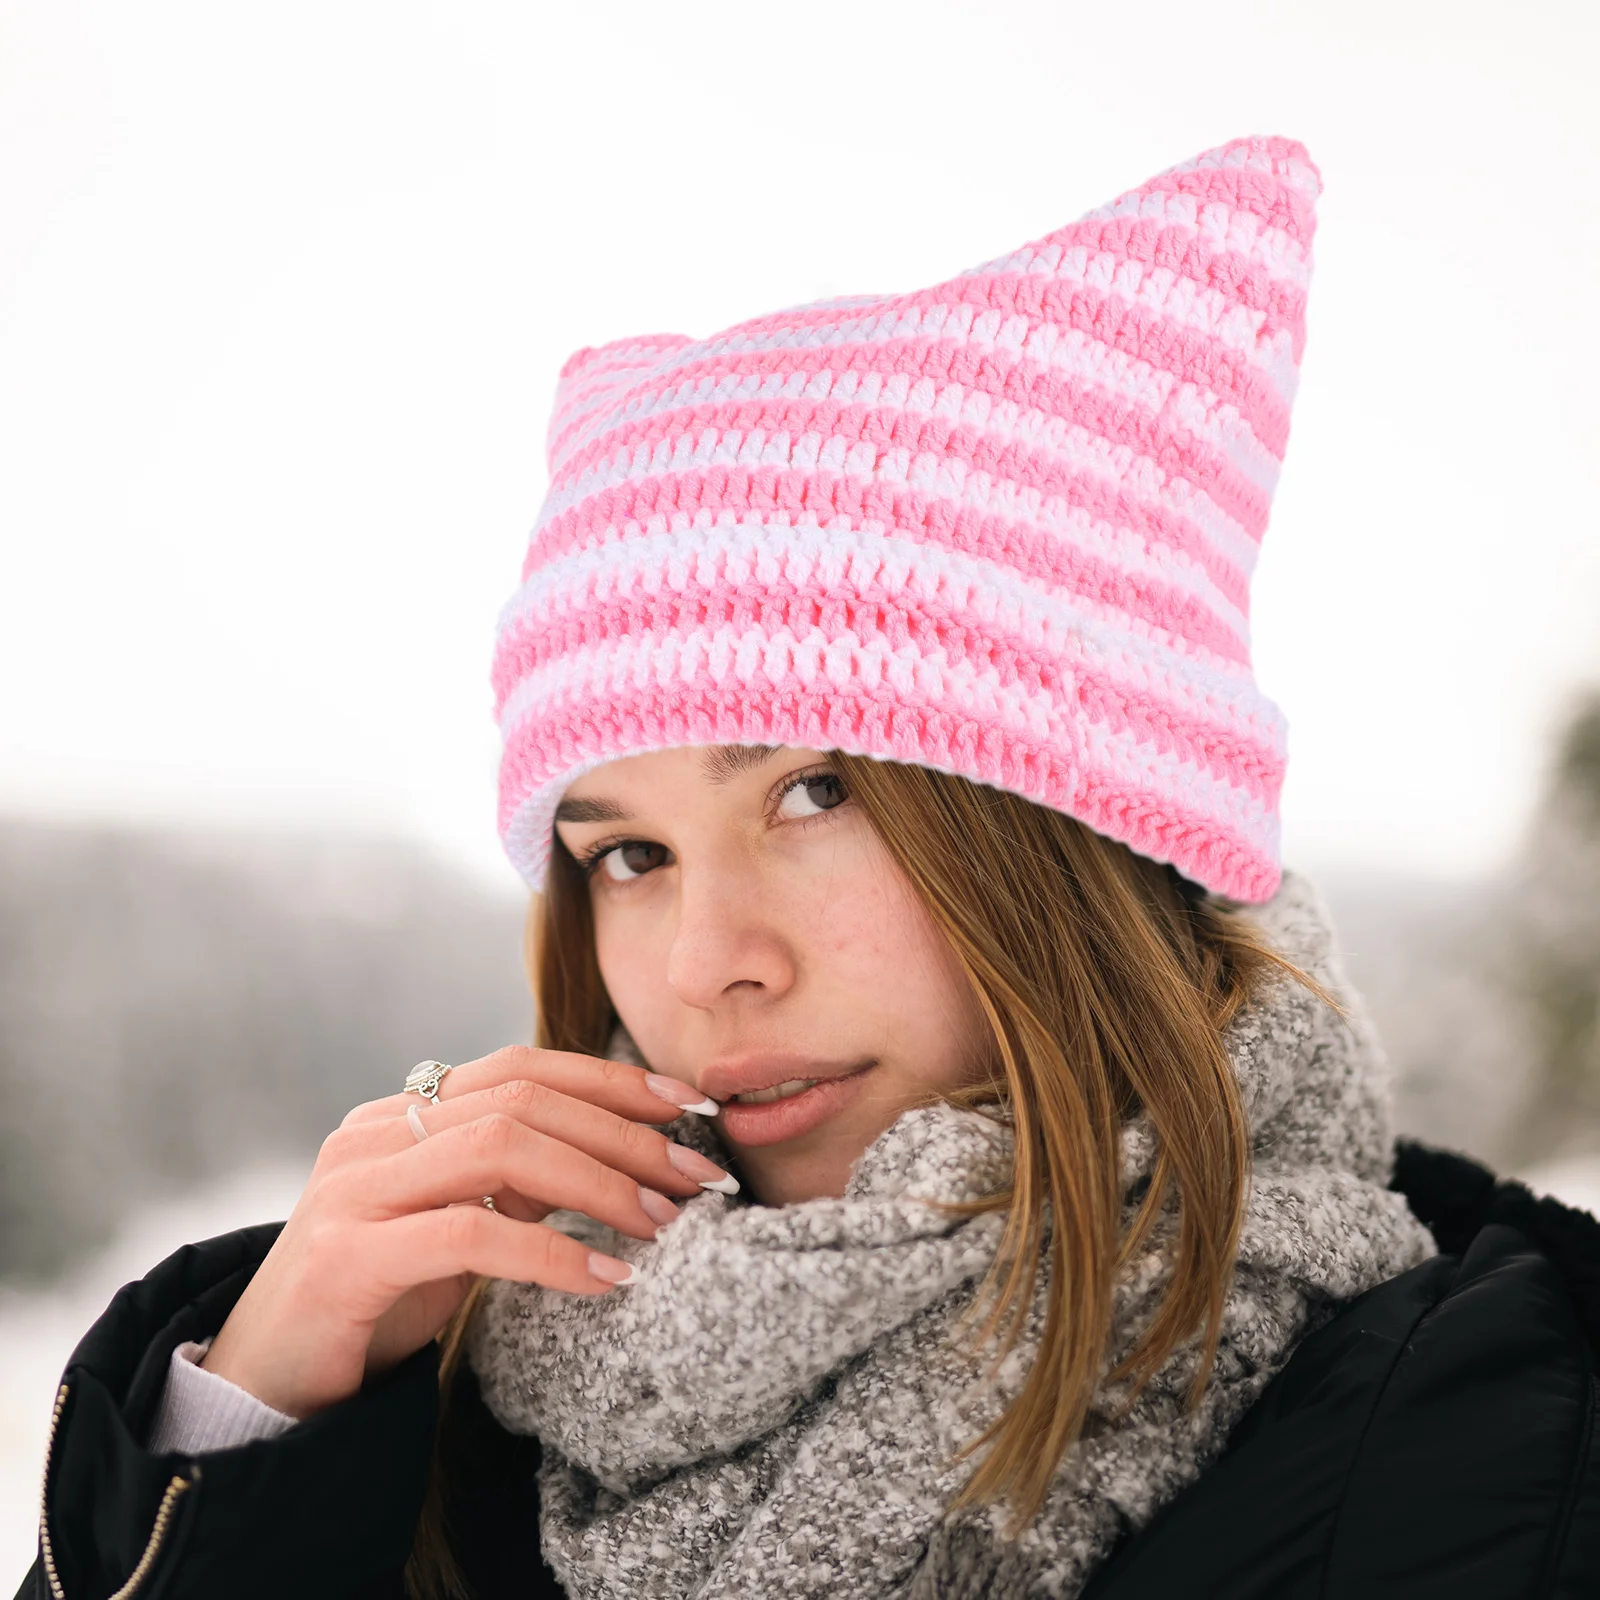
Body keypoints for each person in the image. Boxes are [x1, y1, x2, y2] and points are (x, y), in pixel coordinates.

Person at [17, 135, 1599, 1600]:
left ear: (1098, 826)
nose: (705, 962)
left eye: (817, 791)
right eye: (627, 851)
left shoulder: (1504, 1452)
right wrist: (251, 1433)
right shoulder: (468, 1388)